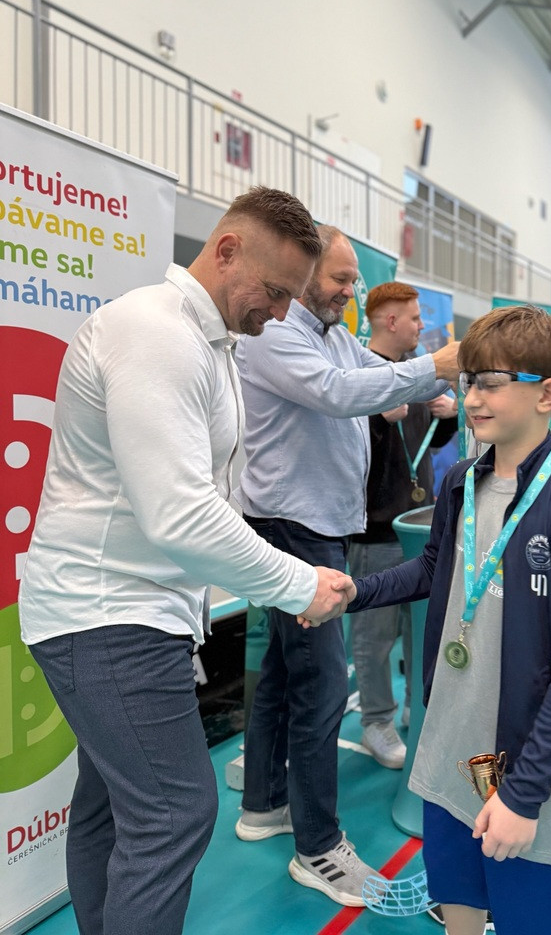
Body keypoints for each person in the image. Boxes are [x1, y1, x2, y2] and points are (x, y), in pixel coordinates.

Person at [17, 187, 356, 935]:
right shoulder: (157, 334)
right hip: (107, 613)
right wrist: (297, 583)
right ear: (227, 250)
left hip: (134, 609)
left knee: (112, 806)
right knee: (175, 810)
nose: (279, 314)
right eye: (274, 292)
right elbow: (178, 510)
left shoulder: (210, 341)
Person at [348, 305, 551, 935]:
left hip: (531, 767)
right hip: (452, 743)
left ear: (547, 394)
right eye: (468, 381)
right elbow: (433, 570)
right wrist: (353, 593)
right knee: (460, 905)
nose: (472, 398)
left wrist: (524, 794)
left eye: (492, 383)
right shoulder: (460, 484)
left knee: (535, 916)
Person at [233, 225, 460, 905]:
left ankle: (264, 804)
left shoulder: (332, 334)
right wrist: (438, 363)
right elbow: (338, 392)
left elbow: (367, 377)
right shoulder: (278, 334)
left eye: (354, 280)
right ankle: (318, 848)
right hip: (293, 529)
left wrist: (432, 382)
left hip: (318, 526)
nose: (350, 290)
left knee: (285, 672)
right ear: (302, 274)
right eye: (340, 278)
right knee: (324, 685)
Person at [348, 282, 458, 769]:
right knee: (374, 637)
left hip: (421, 526)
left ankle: (418, 704)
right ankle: (376, 719)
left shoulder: (418, 375)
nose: (421, 326)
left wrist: (448, 417)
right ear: (390, 321)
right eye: (414, 318)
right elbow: (345, 452)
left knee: (423, 628)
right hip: (376, 530)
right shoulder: (360, 376)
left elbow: (429, 444)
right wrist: (376, 420)